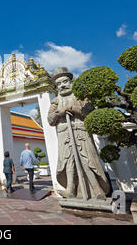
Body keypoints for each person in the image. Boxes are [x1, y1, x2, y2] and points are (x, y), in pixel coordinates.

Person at [47, 67, 110, 199]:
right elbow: (50, 120)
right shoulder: (55, 101)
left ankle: (97, 189)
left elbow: (89, 111)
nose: (62, 85)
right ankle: (70, 188)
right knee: (68, 162)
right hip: (64, 134)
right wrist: (59, 112)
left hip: (81, 131)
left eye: (65, 82)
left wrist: (71, 108)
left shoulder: (81, 97)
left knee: (86, 160)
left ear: (71, 82)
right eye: (58, 84)